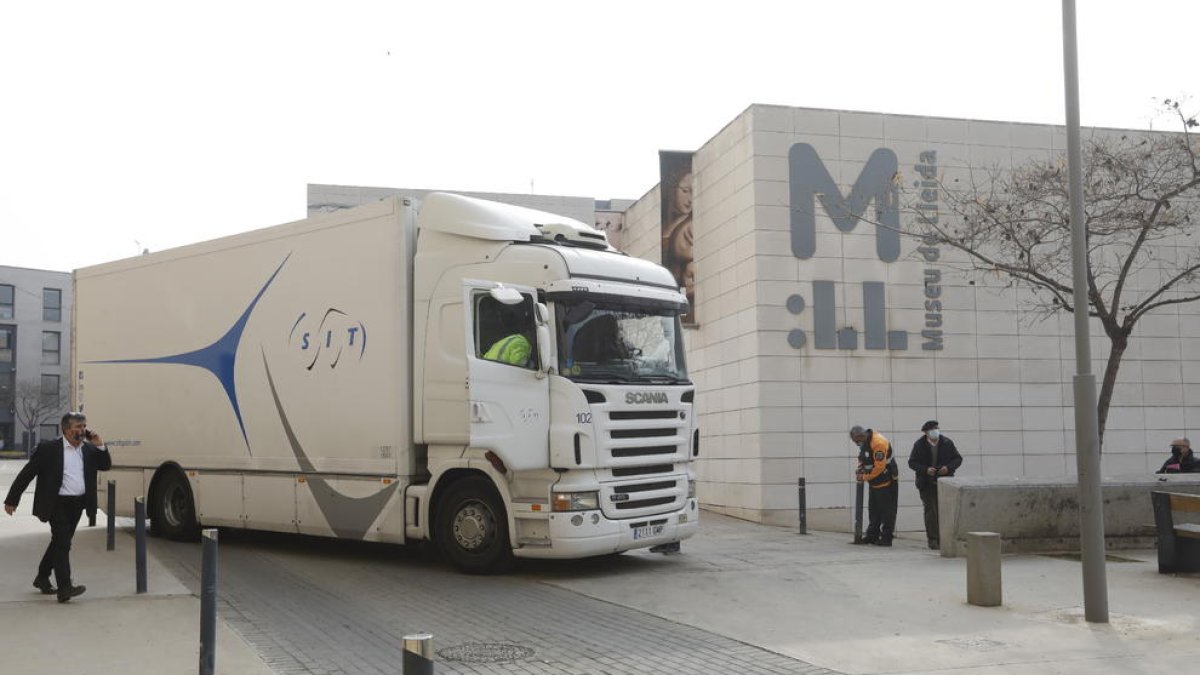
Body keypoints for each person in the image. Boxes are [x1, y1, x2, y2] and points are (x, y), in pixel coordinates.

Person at [4, 412, 111, 603]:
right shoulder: (49, 449)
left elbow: (105, 465)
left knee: (59, 543)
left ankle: (42, 577)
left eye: (84, 426)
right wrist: (12, 500)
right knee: (63, 544)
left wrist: (99, 444)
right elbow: (27, 474)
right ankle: (65, 588)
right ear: (66, 430)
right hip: (56, 504)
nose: (82, 430)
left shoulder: (87, 449)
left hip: (78, 504)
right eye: (77, 427)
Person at [907, 420, 963, 550]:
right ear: (926, 432)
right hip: (926, 483)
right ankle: (933, 540)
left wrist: (947, 468)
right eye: (932, 429)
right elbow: (912, 462)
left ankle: (945, 538)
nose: (936, 431)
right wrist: (925, 469)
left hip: (944, 482)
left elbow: (958, 459)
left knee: (944, 511)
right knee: (931, 511)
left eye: (937, 428)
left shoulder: (947, 443)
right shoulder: (919, 445)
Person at [850, 425, 899, 546]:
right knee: (874, 510)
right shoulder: (865, 441)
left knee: (887, 511)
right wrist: (860, 469)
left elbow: (879, 467)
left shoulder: (878, 443)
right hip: (875, 482)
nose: (857, 444)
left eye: (856, 441)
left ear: (860, 436)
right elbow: (863, 458)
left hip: (886, 480)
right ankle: (872, 535)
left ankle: (887, 538)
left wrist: (864, 477)